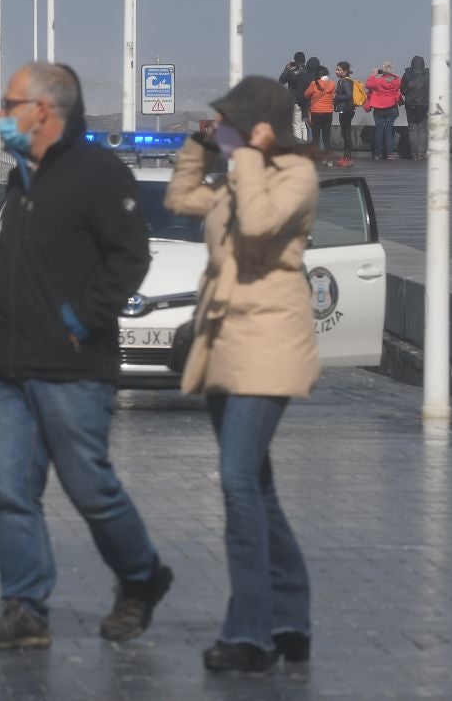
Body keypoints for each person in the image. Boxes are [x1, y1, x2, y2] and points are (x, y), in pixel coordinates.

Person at [0, 61, 172, 652]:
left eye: (9, 105)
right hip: (7, 368)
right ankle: (25, 609)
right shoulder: (24, 175)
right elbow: (14, 255)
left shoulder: (99, 173)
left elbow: (128, 258)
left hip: (73, 369)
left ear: (44, 110)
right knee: (10, 489)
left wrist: (80, 319)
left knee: (90, 489)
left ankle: (140, 577)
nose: (0, 116)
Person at [163, 76, 317, 673]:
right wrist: (199, 152)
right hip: (226, 342)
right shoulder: (236, 178)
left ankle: (250, 633)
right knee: (258, 487)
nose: (220, 129)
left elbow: (256, 226)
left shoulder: (294, 177)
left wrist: (247, 158)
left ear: (258, 130)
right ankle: (291, 618)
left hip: (269, 341)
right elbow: (181, 201)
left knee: (235, 482)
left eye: (229, 123)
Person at [365, 62, 403, 160]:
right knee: (389, 131)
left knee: (379, 130)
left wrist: (373, 74)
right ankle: (389, 153)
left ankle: (377, 153)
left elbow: (368, 85)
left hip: (379, 109)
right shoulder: (397, 81)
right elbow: (398, 84)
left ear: (383, 71)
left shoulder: (378, 82)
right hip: (392, 108)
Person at [400, 54, 430, 159]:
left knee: (412, 129)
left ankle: (413, 153)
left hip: (410, 106)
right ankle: (421, 153)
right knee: (423, 129)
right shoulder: (428, 75)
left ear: (412, 64)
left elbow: (402, 91)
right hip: (424, 106)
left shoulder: (407, 75)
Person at [303, 64, 335, 157]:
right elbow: (333, 96)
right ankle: (328, 158)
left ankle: (316, 156)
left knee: (316, 136)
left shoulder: (314, 84)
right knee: (326, 137)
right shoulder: (332, 84)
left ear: (318, 75)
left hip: (316, 112)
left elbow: (306, 95)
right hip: (328, 112)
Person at [278, 52, 309, 142]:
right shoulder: (308, 71)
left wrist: (286, 69)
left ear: (295, 61)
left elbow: (281, 81)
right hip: (305, 102)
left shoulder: (290, 72)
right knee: (303, 125)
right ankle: (306, 146)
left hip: (294, 101)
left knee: (296, 125)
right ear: (305, 60)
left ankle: (299, 147)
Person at [332, 61, 357, 167]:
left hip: (346, 110)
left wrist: (335, 96)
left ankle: (348, 158)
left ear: (345, 71)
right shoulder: (344, 80)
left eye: (339, 70)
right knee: (345, 133)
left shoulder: (345, 81)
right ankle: (346, 157)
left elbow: (349, 95)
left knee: (346, 134)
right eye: (336, 69)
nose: (336, 71)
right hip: (347, 109)